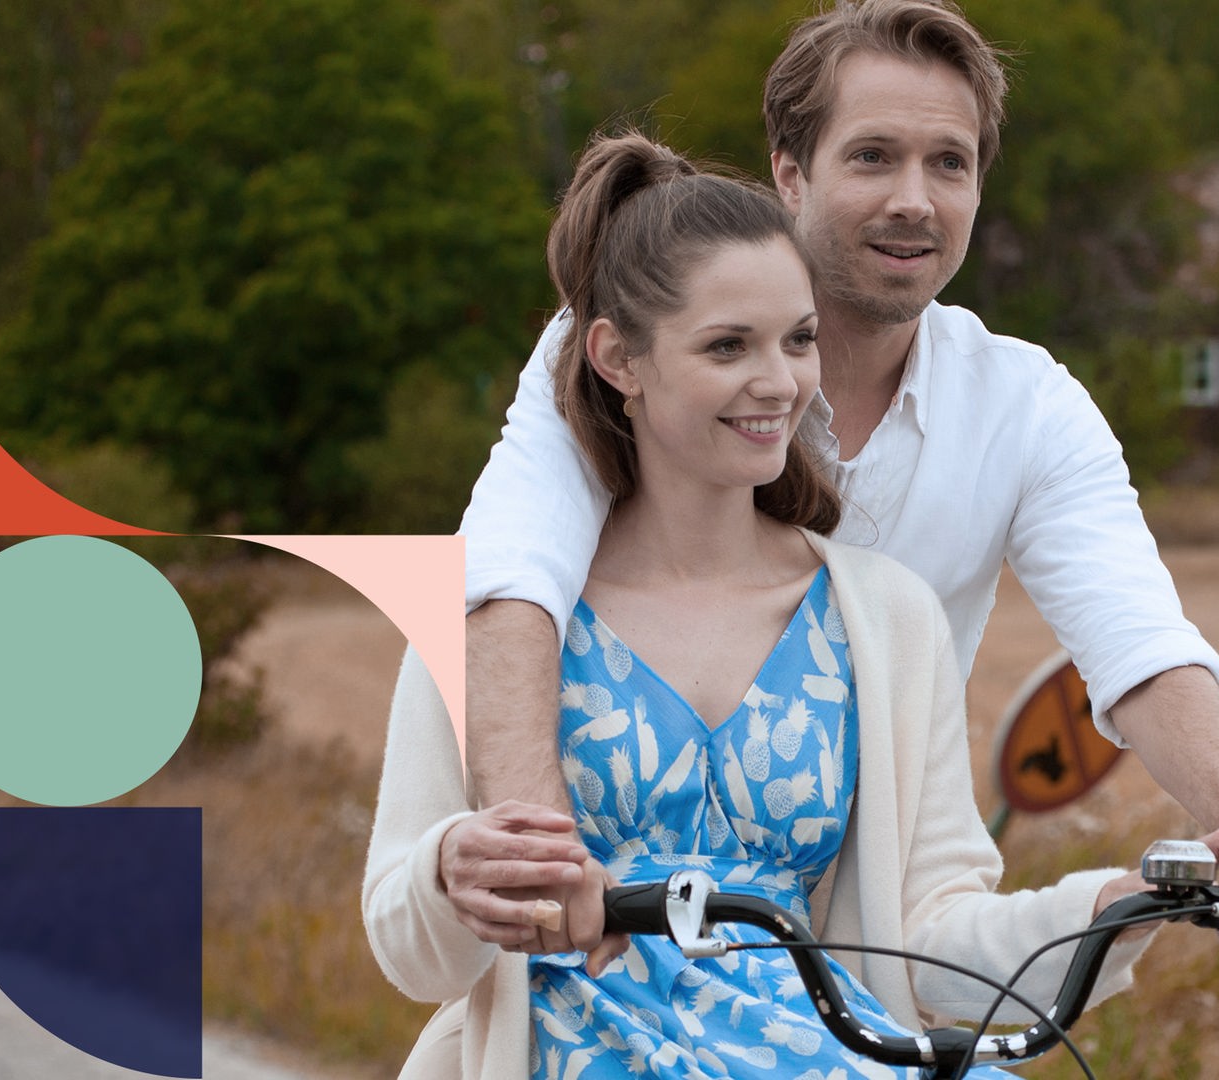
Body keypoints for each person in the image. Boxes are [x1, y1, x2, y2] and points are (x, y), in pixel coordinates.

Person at [461, 0, 1219, 960]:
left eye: (951, 163)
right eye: (872, 157)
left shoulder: (1025, 403)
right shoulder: (618, 347)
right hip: (618, 932)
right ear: (788, 172)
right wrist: (543, 860)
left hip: (886, 938)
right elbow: (505, 577)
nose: (916, 199)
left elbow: (1139, 643)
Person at [365, 131, 1165, 1079]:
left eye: (798, 339)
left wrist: (1116, 904)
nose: (779, 382)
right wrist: (455, 868)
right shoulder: (502, 619)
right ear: (619, 358)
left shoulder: (882, 619)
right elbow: (408, 949)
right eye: (727, 346)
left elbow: (931, 933)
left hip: (817, 1052)